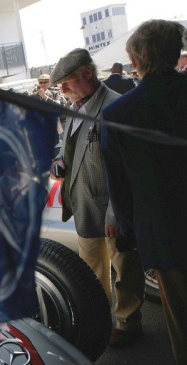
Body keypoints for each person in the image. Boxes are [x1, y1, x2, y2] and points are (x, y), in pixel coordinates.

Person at [100, 19, 187, 365]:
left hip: (168, 235)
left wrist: (131, 233)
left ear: (136, 58)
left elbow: (120, 187)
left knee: (182, 322)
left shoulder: (120, 113)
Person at [49, 48, 146, 348]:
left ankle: (128, 324)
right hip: (83, 205)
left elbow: (128, 168)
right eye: (60, 85)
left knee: (125, 269)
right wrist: (60, 161)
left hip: (110, 209)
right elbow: (71, 148)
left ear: (87, 74)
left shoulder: (114, 108)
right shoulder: (75, 107)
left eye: (67, 82)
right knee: (92, 272)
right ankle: (102, 321)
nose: (62, 90)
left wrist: (115, 214)